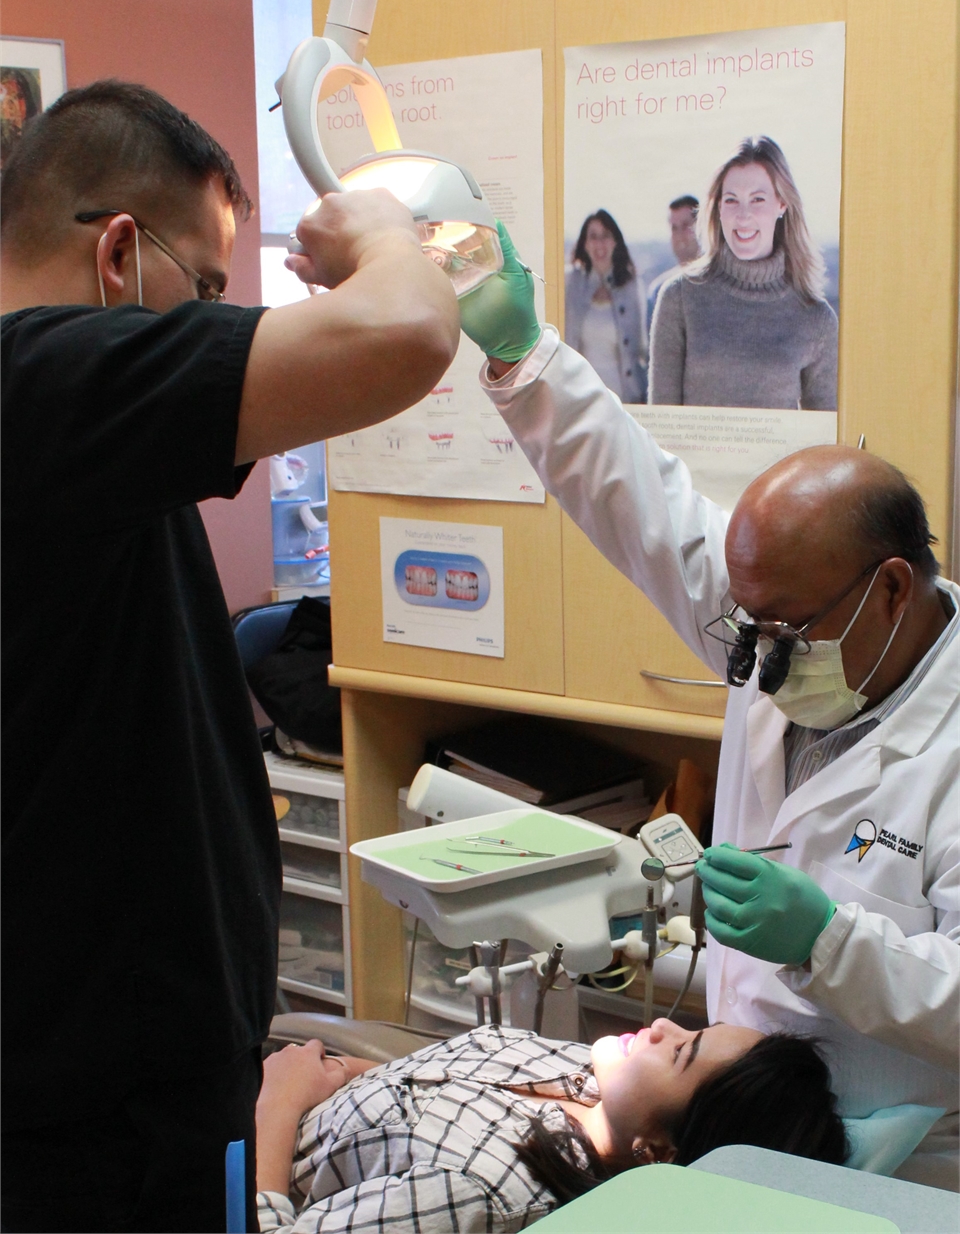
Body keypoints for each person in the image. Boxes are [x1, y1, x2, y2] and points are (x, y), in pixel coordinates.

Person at [0, 80, 460, 1234]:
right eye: (207, 287)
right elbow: (406, 333)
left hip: (120, 1083)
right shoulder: (35, 383)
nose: (220, 314)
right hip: (84, 1125)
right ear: (119, 254)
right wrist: (383, 228)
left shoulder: (66, 431)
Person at [457, 227, 959, 1189]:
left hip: (901, 1160)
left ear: (891, 590)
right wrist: (523, 354)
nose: (756, 657)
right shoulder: (783, 621)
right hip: (729, 1120)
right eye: (746, 624)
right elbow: (638, 501)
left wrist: (829, 942)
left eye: (781, 630)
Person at [253, 1022, 846, 1231]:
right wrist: (333, 1071)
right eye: (694, 1028)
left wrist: (277, 1102)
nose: (662, 1026)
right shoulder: (589, 1076)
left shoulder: (479, 1193)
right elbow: (428, 1076)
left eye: (680, 1054)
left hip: (242, 1154)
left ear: (660, 1154)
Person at [648, 136, 838, 409]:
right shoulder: (679, 298)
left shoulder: (816, 319)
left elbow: (823, 445)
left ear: (781, 203)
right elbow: (661, 432)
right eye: (732, 200)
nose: (743, 215)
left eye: (758, 199)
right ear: (718, 208)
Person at [564, 208, 647, 402]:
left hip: (623, 398)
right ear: (584, 244)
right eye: (593, 236)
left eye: (606, 236)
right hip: (581, 399)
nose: (599, 243)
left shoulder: (632, 287)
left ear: (616, 242)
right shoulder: (570, 283)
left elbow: (642, 351)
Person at [645, 193, 701, 331]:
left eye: (685, 226)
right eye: (674, 228)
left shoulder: (719, 281)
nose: (679, 235)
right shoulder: (658, 291)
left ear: (700, 227)